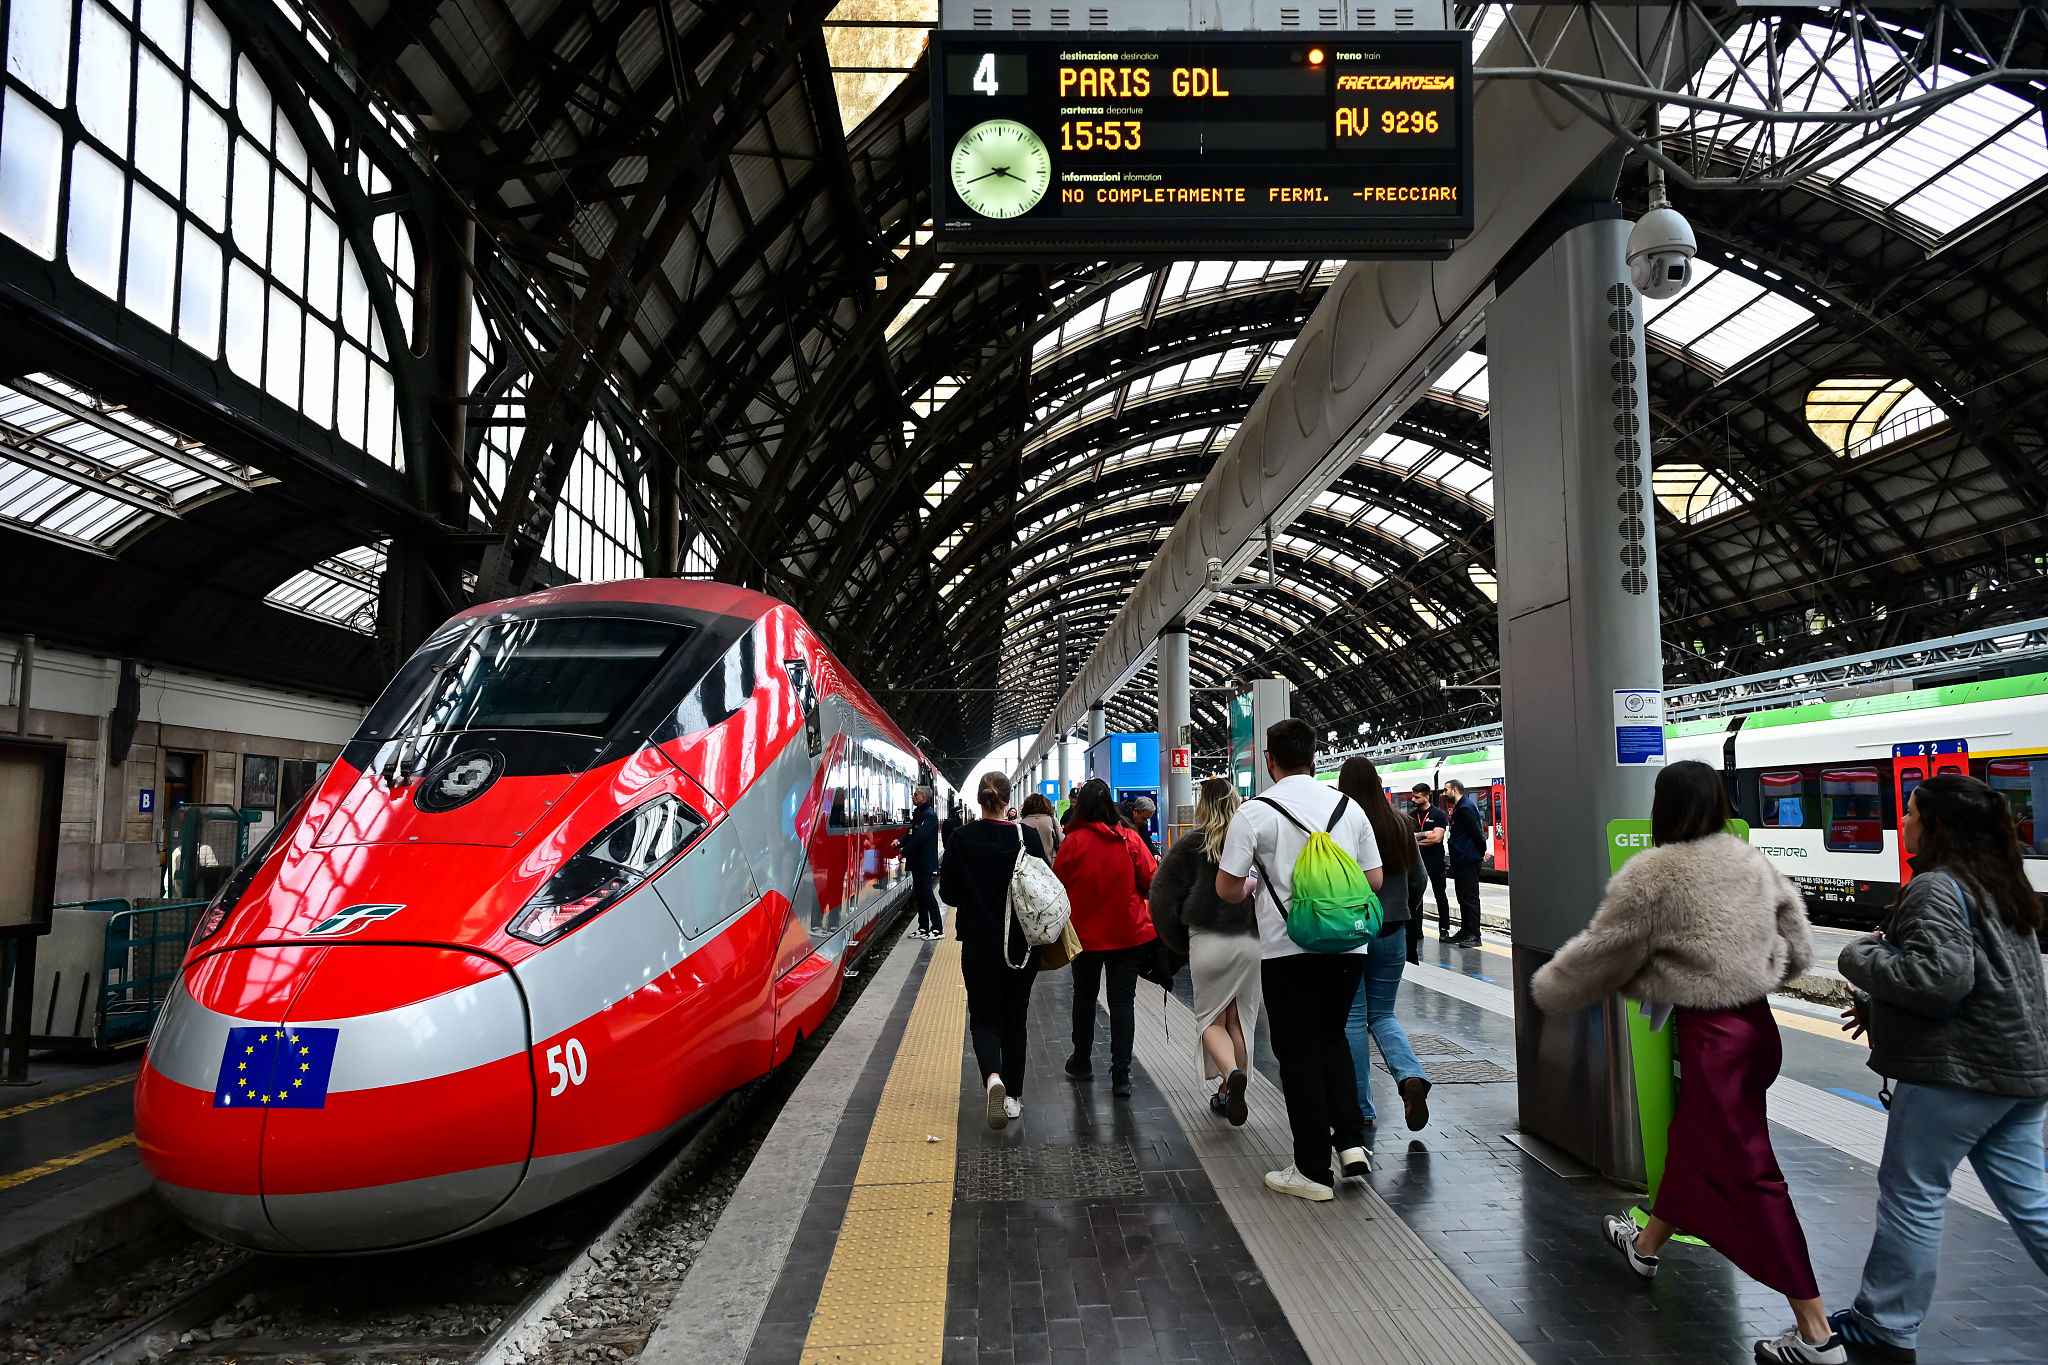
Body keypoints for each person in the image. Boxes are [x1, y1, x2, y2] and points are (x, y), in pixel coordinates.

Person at [1531, 760, 1843, 1365]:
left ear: (1663, 807)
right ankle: (1645, 1245)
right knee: (1698, 1141)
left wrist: (1549, 992)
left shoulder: (1656, 872)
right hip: (1757, 1030)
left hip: (1712, 1041)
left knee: (1750, 1170)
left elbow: (1605, 950)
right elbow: (1800, 948)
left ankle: (1815, 1332)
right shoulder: (1750, 861)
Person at [1830, 773, 2048, 1361]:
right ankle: (1885, 1317)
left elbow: (1940, 980)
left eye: (1910, 812)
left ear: (1936, 824)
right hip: (2019, 1069)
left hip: (1958, 1075)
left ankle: (1885, 1323)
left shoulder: (1936, 886)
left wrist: (1859, 957)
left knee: (1912, 1194)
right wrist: (1879, 1007)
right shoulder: (2002, 883)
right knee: (2033, 1202)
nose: (1902, 822)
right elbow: (1985, 981)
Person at [1215, 719, 1384, 1202]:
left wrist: (1253, 885)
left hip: (1289, 951)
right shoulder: (1348, 807)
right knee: (1333, 1038)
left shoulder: (1254, 813)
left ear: (1270, 760)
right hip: (1349, 947)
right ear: (1314, 756)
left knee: (1297, 1055)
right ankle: (1350, 1144)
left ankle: (1312, 1170)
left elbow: (1226, 887)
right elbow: (1373, 881)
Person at [1149, 776, 1259, 1125]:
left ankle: (1231, 1076)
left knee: (1210, 1020)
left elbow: (1161, 898)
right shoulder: (1252, 839)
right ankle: (1229, 1092)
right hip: (1249, 942)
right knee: (1238, 1019)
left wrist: (1177, 942)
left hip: (1207, 940)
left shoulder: (1191, 843)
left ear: (1202, 805)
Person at [939, 771, 1045, 1131]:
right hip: (1023, 947)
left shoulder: (960, 838)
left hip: (979, 945)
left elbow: (949, 895)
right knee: (1016, 1018)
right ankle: (1013, 1097)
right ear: (1007, 798)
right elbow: (1043, 886)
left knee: (984, 1018)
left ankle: (993, 1081)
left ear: (980, 800)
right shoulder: (1026, 836)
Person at [1337, 759, 1432, 1134]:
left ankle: (1361, 1108)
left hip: (1354, 931)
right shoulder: (1401, 823)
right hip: (1393, 930)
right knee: (1384, 1015)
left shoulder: (1341, 823)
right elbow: (1419, 880)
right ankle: (1410, 1075)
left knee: (1354, 1019)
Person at [1054, 779, 1158, 1098]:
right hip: (1127, 933)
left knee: (1084, 996)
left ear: (1080, 806)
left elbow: (1057, 885)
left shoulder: (1073, 841)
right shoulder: (1128, 838)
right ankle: (1121, 1075)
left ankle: (1082, 1060)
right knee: (1122, 1001)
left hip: (1084, 935)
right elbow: (1152, 878)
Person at [1443, 779, 1485, 947]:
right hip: (1462, 859)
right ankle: (1466, 930)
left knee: (1469, 898)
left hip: (1468, 859)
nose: (1444, 794)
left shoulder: (1465, 807)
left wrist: (1480, 853)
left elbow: (1476, 832)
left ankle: (1474, 935)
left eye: (1446, 790)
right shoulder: (1461, 806)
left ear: (1455, 790)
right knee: (1463, 897)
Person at [901, 785, 942, 940]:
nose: (913, 796)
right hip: (918, 862)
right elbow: (911, 834)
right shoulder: (919, 814)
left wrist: (903, 853)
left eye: (916, 795)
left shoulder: (929, 815)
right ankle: (923, 927)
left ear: (923, 797)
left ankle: (937, 928)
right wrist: (899, 842)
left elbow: (920, 838)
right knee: (920, 895)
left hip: (924, 862)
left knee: (927, 895)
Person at [1413, 783, 1452, 947]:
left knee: (1440, 895)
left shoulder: (1438, 814)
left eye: (1417, 797)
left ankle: (1444, 929)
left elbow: (1437, 838)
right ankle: (1417, 930)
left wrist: (1415, 838)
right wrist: (1426, 835)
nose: (1413, 799)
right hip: (1417, 861)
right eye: (1413, 796)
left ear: (1426, 796)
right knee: (1416, 897)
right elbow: (1408, 837)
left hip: (1435, 860)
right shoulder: (1411, 815)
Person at [1019, 792, 1061, 864]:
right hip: (1051, 863)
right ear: (1046, 805)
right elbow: (1061, 839)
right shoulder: (1052, 821)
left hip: (1029, 866)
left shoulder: (1022, 823)